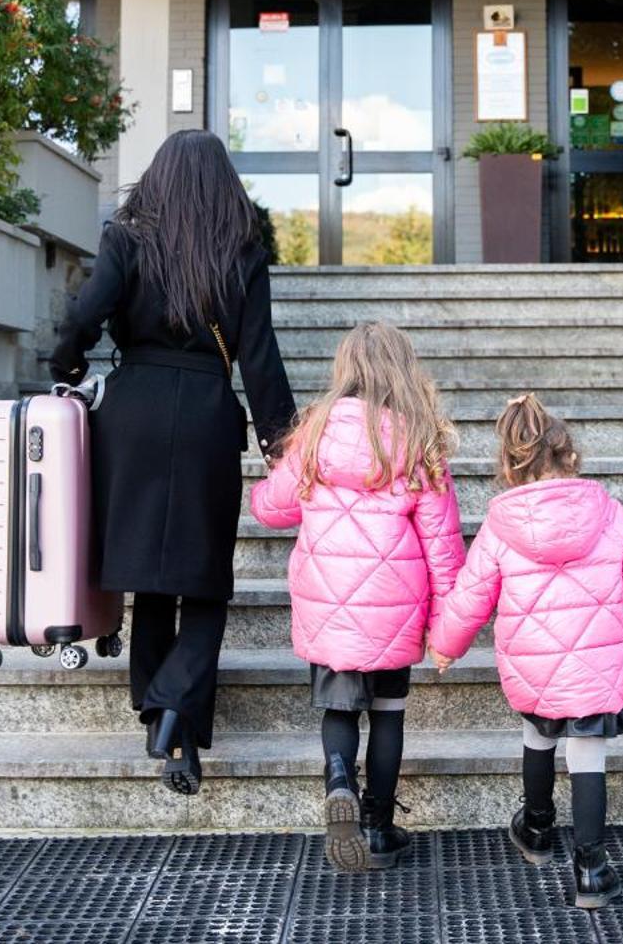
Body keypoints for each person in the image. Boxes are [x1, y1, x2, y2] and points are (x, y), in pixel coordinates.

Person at [50, 128, 295, 796]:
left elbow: (85, 312)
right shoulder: (242, 247)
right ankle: (176, 717)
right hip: (208, 415)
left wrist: (66, 364)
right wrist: (281, 439)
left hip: (130, 413)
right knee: (205, 579)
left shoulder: (127, 236)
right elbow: (259, 354)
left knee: (151, 578)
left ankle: (164, 718)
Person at [249, 322, 464, 873]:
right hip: (395, 606)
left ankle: (339, 779)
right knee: (389, 716)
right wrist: (447, 629)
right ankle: (378, 827)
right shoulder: (419, 440)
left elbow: (271, 509)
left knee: (339, 708)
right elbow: (443, 551)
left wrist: (273, 477)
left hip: (328, 602)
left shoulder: (315, 434)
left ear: (344, 369)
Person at [430, 395, 623, 911]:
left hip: (532, 662)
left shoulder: (499, 527)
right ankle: (592, 871)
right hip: (598, 660)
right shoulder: (606, 511)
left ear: (510, 464)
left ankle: (535, 830)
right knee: (588, 753)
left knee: (537, 733)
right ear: (569, 456)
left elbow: (470, 597)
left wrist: (445, 646)